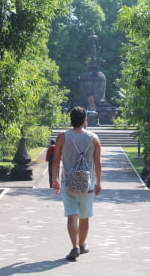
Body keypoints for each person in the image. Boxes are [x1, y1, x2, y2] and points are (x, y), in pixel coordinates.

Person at [52, 106, 102, 261]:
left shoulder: (62, 137)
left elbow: (56, 160)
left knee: (72, 216)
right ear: (85, 120)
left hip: (69, 183)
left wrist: (55, 179)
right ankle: (82, 245)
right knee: (85, 216)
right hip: (87, 184)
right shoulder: (94, 138)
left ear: (71, 120)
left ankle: (74, 247)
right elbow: (98, 163)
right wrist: (98, 182)